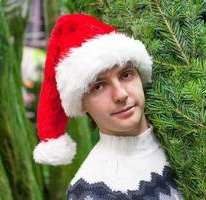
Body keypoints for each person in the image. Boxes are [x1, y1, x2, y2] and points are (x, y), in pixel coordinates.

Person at [33, 14, 183, 200]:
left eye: (126, 75)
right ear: (82, 103)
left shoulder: (181, 129)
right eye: (98, 86)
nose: (120, 94)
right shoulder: (94, 191)